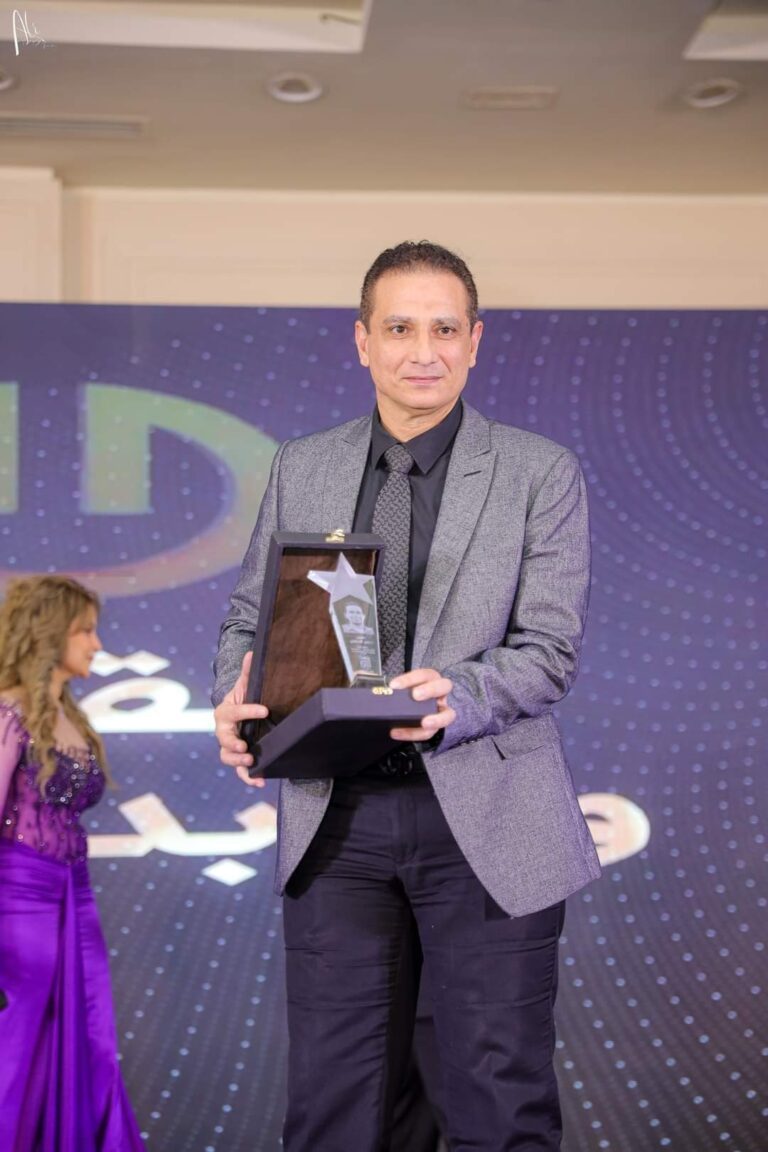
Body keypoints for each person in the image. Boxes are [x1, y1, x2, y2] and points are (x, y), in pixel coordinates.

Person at [213, 240, 601, 1151]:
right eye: (398, 328)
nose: (422, 351)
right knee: (335, 1105)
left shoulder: (538, 470)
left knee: (499, 1102)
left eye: (444, 329)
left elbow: (549, 651)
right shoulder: (303, 465)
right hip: (336, 818)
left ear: (475, 341)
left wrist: (459, 692)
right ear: (362, 341)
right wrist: (236, 697)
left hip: (488, 817)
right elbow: (247, 621)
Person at [0, 575, 145, 1152]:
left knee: (89, 1037)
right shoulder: (8, 711)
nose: (96, 644)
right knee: (20, 1047)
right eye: (85, 630)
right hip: (18, 905)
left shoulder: (68, 715)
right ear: (49, 632)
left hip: (74, 898)